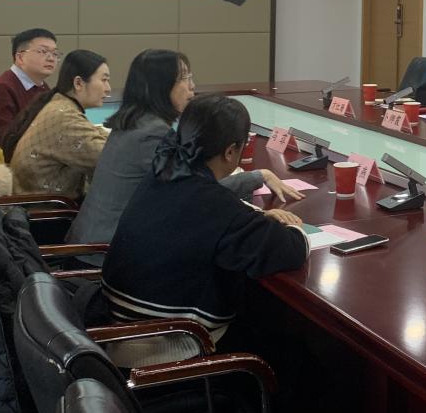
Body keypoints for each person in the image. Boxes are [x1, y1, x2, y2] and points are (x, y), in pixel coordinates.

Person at [100, 94, 309, 345]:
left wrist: (256, 216)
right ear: (230, 151)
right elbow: (291, 250)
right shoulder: (215, 205)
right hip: (167, 341)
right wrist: (293, 227)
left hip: (115, 320)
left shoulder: (162, 173)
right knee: (286, 344)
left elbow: (210, 213)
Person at [67, 50, 299, 257]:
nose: (192, 87)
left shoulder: (132, 122)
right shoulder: (152, 135)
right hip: (104, 253)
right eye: (185, 78)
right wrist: (258, 178)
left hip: (90, 240)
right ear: (161, 85)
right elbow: (196, 194)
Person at [1, 49, 110, 196]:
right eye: (104, 80)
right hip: (47, 208)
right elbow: (111, 158)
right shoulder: (64, 116)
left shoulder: (60, 107)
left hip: (38, 203)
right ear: (78, 83)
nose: (108, 89)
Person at [0, 28, 58, 146]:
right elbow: (6, 143)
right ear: (20, 58)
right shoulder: (0, 89)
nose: (51, 58)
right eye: (43, 51)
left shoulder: (42, 88)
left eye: (55, 53)